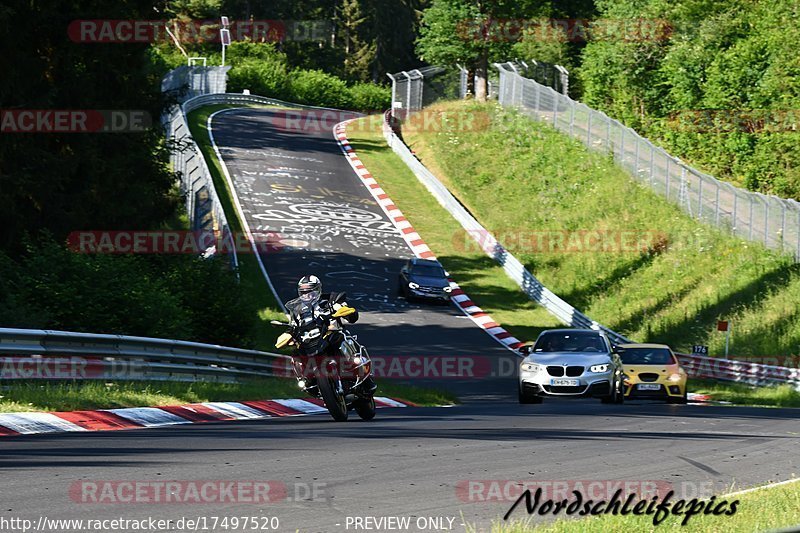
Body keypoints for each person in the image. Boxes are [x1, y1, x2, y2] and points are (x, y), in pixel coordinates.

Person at [284, 275, 359, 328]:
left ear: (318, 290)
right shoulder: (298, 308)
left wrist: (343, 310)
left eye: (309, 292)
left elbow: (353, 318)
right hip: (310, 340)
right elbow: (294, 326)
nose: (306, 295)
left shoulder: (331, 299)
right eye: (303, 292)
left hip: (333, 334)